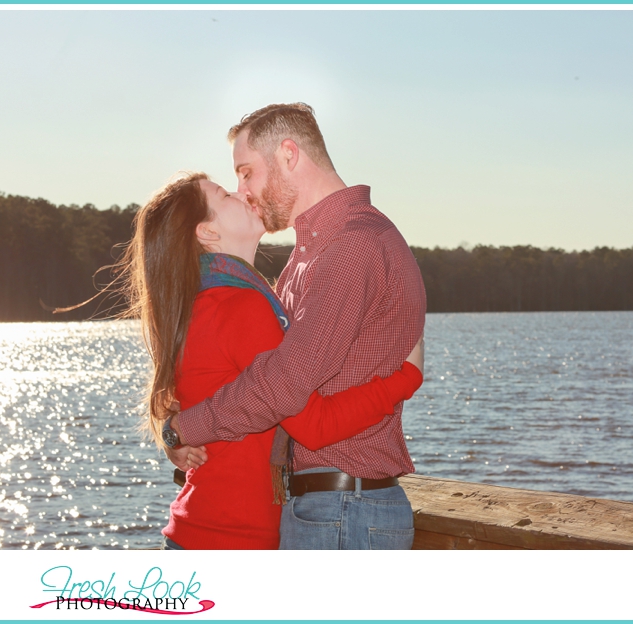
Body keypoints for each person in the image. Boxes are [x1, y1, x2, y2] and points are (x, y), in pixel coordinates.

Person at [108, 171, 424, 549]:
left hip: (199, 531)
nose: (242, 193)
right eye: (225, 194)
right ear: (206, 232)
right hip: (230, 540)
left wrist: (174, 431)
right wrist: (405, 377)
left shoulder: (198, 306)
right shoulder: (243, 307)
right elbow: (314, 425)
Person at [168, 103, 427, 550]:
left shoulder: (352, 245)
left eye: (247, 173)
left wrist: (185, 428)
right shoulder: (306, 257)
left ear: (289, 155)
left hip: (346, 508)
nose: (243, 189)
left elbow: (282, 384)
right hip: (332, 509)